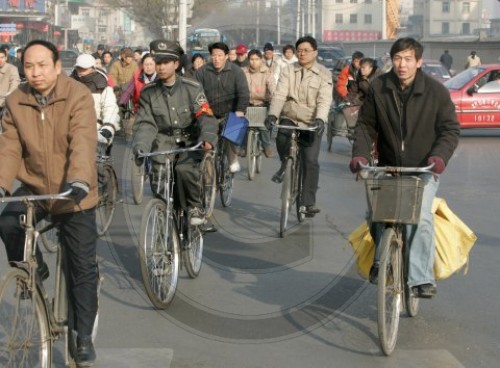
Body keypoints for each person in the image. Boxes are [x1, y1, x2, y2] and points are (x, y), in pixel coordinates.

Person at [0, 39, 100, 366]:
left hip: (73, 193)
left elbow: (83, 141)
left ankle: (83, 334)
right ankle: (35, 267)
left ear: (58, 66)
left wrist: (80, 181)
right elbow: (10, 149)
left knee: (82, 268)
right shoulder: (16, 101)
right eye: (29, 66)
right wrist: (1, 185)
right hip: (35, 189)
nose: (36, 73)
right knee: (7, 222)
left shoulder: (78, 95)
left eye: (43, 65)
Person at [349, 37, 460, 298]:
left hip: (424, 170)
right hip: (388, 168)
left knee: (419, 217)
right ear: (392, 60)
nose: (402, 64)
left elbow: (450, 129)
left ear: (418, 62)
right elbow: (366, 126)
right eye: (398, 58)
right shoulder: (379, 87)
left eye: (408, 59)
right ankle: (381, 259)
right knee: (375, 214)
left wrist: (439, 158)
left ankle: (421, 278)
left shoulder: (436, 92)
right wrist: (361, 156)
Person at [132, 39, 218, 225]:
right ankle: (163, 225)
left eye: (165, 62)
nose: (161, 67)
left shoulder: (192, 88)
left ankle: (194, 205)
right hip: (163, 142)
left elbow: (206, 115)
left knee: (184, 169)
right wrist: (141, 146)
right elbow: (146, 123)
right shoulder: (148, 92)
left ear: (176, 64)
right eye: (158, 63)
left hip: (189, 141)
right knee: (159, 181)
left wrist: (208, 137)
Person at [265, 36, 333, 217]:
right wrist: (273, 114)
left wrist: (320, 119)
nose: (302, 53)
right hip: (290, 116)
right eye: (299, 50)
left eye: (306, 50)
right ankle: (284, 165)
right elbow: (280, 95)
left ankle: (308, 202)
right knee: (281, 138)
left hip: (311, 121)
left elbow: (324, 100)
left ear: (315, 53)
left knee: (310, 160)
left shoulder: (324, 74)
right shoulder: (288, 70)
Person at [195, 41, 250, 173]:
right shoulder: (202, 72)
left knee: (231, 132)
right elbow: (195, 93)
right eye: (214, 55)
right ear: (210, 56)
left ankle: (232, 158)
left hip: (230, 112)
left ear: (226, 56)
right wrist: (202, 109)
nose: (217, 58)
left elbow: (243, 93)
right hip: (208, 113)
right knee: (201, 138)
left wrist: (240, 110)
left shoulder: (236, 72)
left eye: (220, 55)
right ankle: (205, 169)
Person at [70, 53, 121, 150]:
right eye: (79, 68)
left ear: (92, 68)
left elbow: (110, 108)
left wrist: (107, 128)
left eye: (84, 68)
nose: (81, 72)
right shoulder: (69, 83)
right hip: (72, 130)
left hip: (97, 130)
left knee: (100, 161)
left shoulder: (102, 84)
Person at [241, 49, 276, 158]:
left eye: (256, 59)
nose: (253, 62)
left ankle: (266, 146)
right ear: (248, 60)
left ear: (261, 60)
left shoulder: (267, 72)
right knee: (242, 125)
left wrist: (274, 99)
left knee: (263, 127)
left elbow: (273, 88)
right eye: (251, 59)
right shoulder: (242, 71)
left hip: (262, 103)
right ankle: (243, 147)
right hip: (245, 103)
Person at [119, 53, 157, 137]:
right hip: (140, 109)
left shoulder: (162, 76)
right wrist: (121, 105)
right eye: (146, 64)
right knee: (131, 131)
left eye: (151, 64)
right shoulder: (137, 77)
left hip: (159, 111)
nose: (148, 67)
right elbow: (127, 92)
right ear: (142, 65)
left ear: (156, 65)